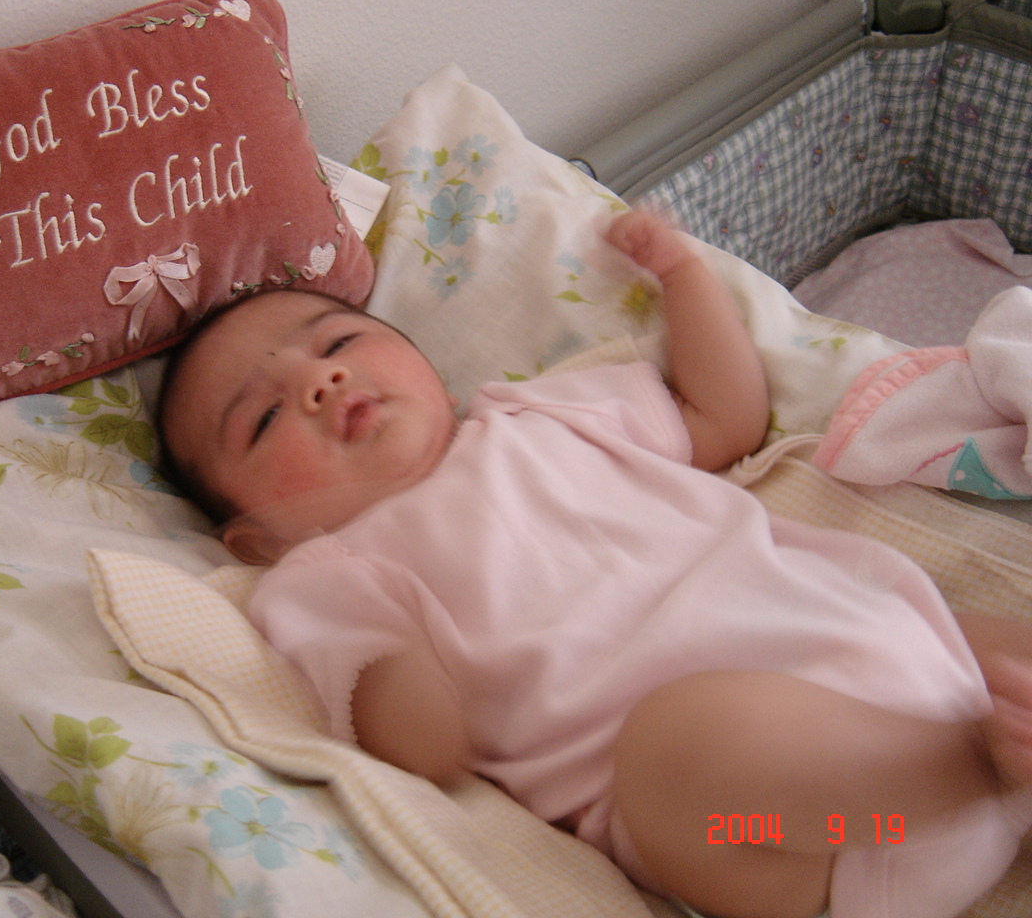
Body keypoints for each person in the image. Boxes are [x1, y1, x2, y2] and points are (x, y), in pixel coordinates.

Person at [157, 209, 1032, 918]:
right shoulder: (326, 571)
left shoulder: (537, 414)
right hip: (796, 837)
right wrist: (388, 666)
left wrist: (684, 275)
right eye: (262, 419)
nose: (319, 384)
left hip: (910, 664)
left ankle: (993, 754)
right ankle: (975, 766)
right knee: (683, 744)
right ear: (258, 538)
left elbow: (723, 419)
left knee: (923, 605)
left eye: (339, 345)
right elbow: (425, 745)